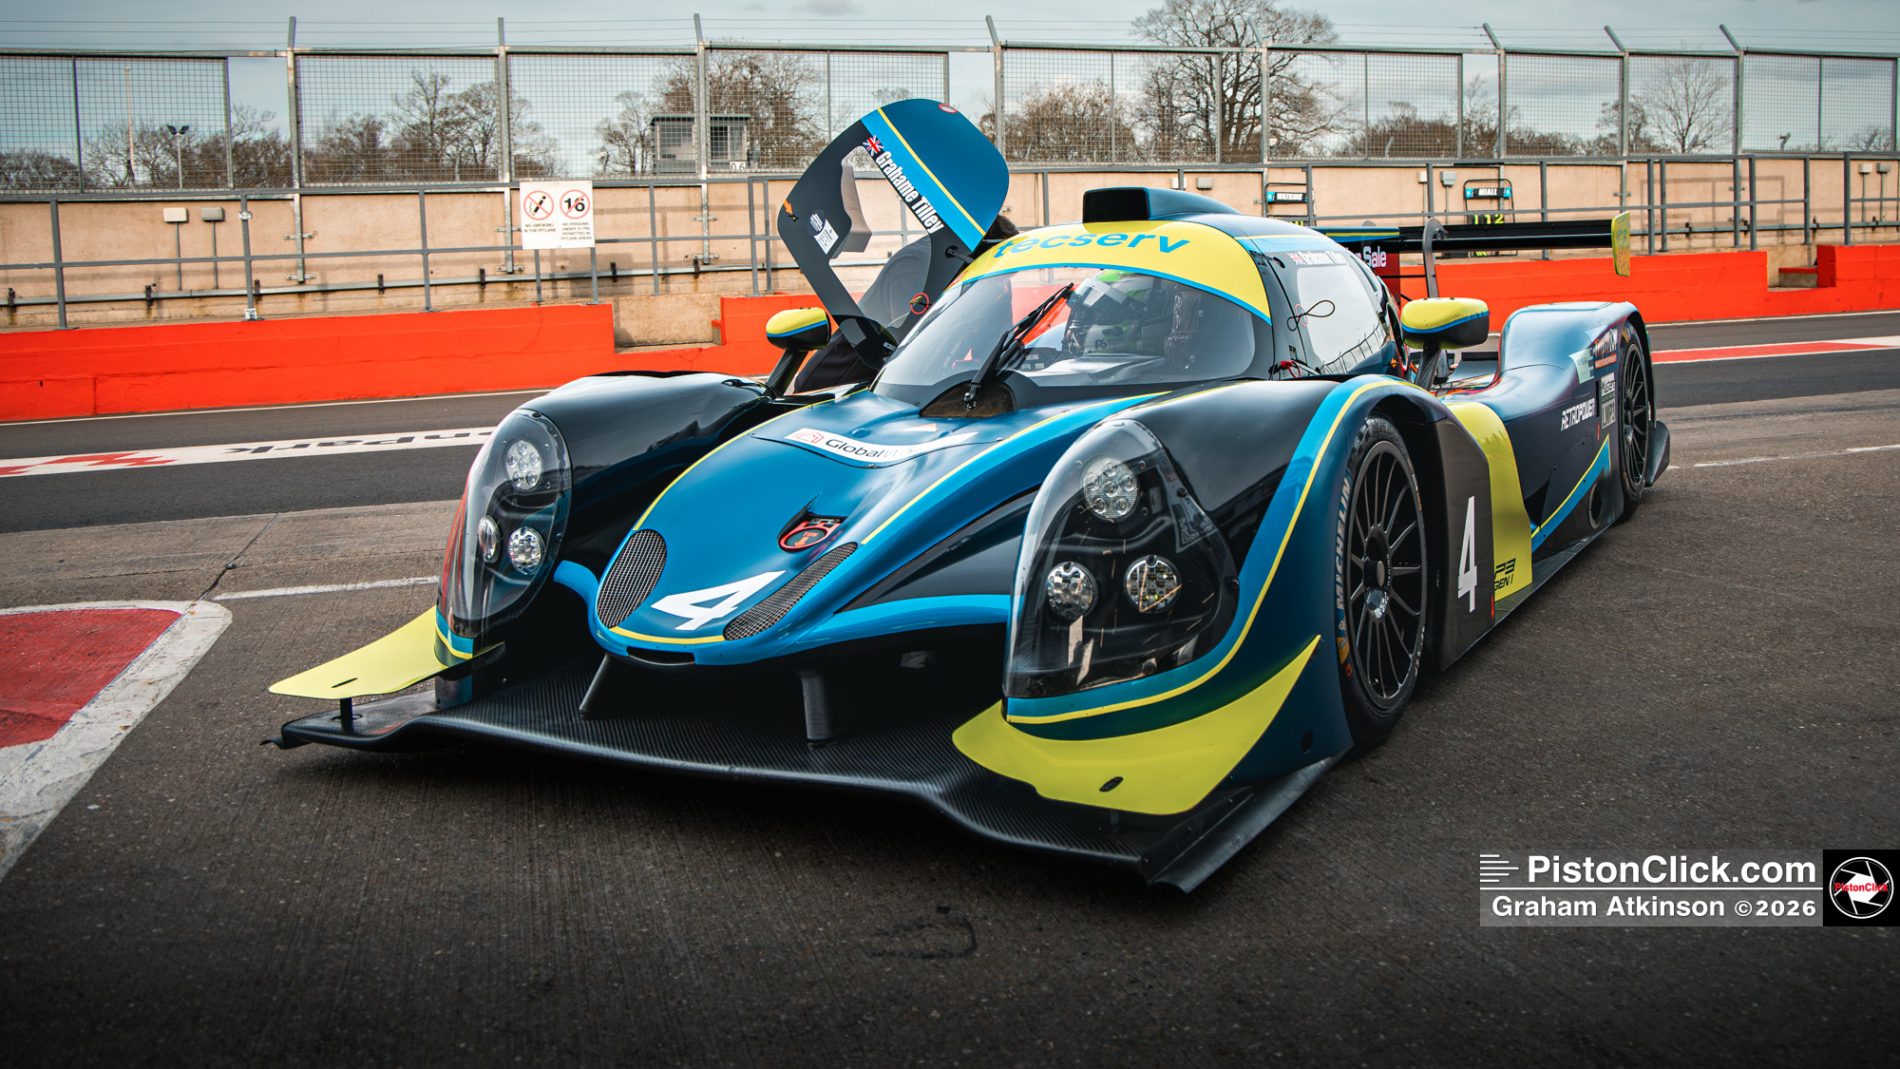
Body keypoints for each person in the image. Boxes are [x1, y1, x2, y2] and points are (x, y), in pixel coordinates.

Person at [793, 216, 1020, 393]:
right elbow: (911, 351)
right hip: (834, 387)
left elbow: (995, 344)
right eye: (1003, 269)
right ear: (980, 250)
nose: (1004, 278)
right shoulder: (916, 265)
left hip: (889, 388)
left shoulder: (981, 276)